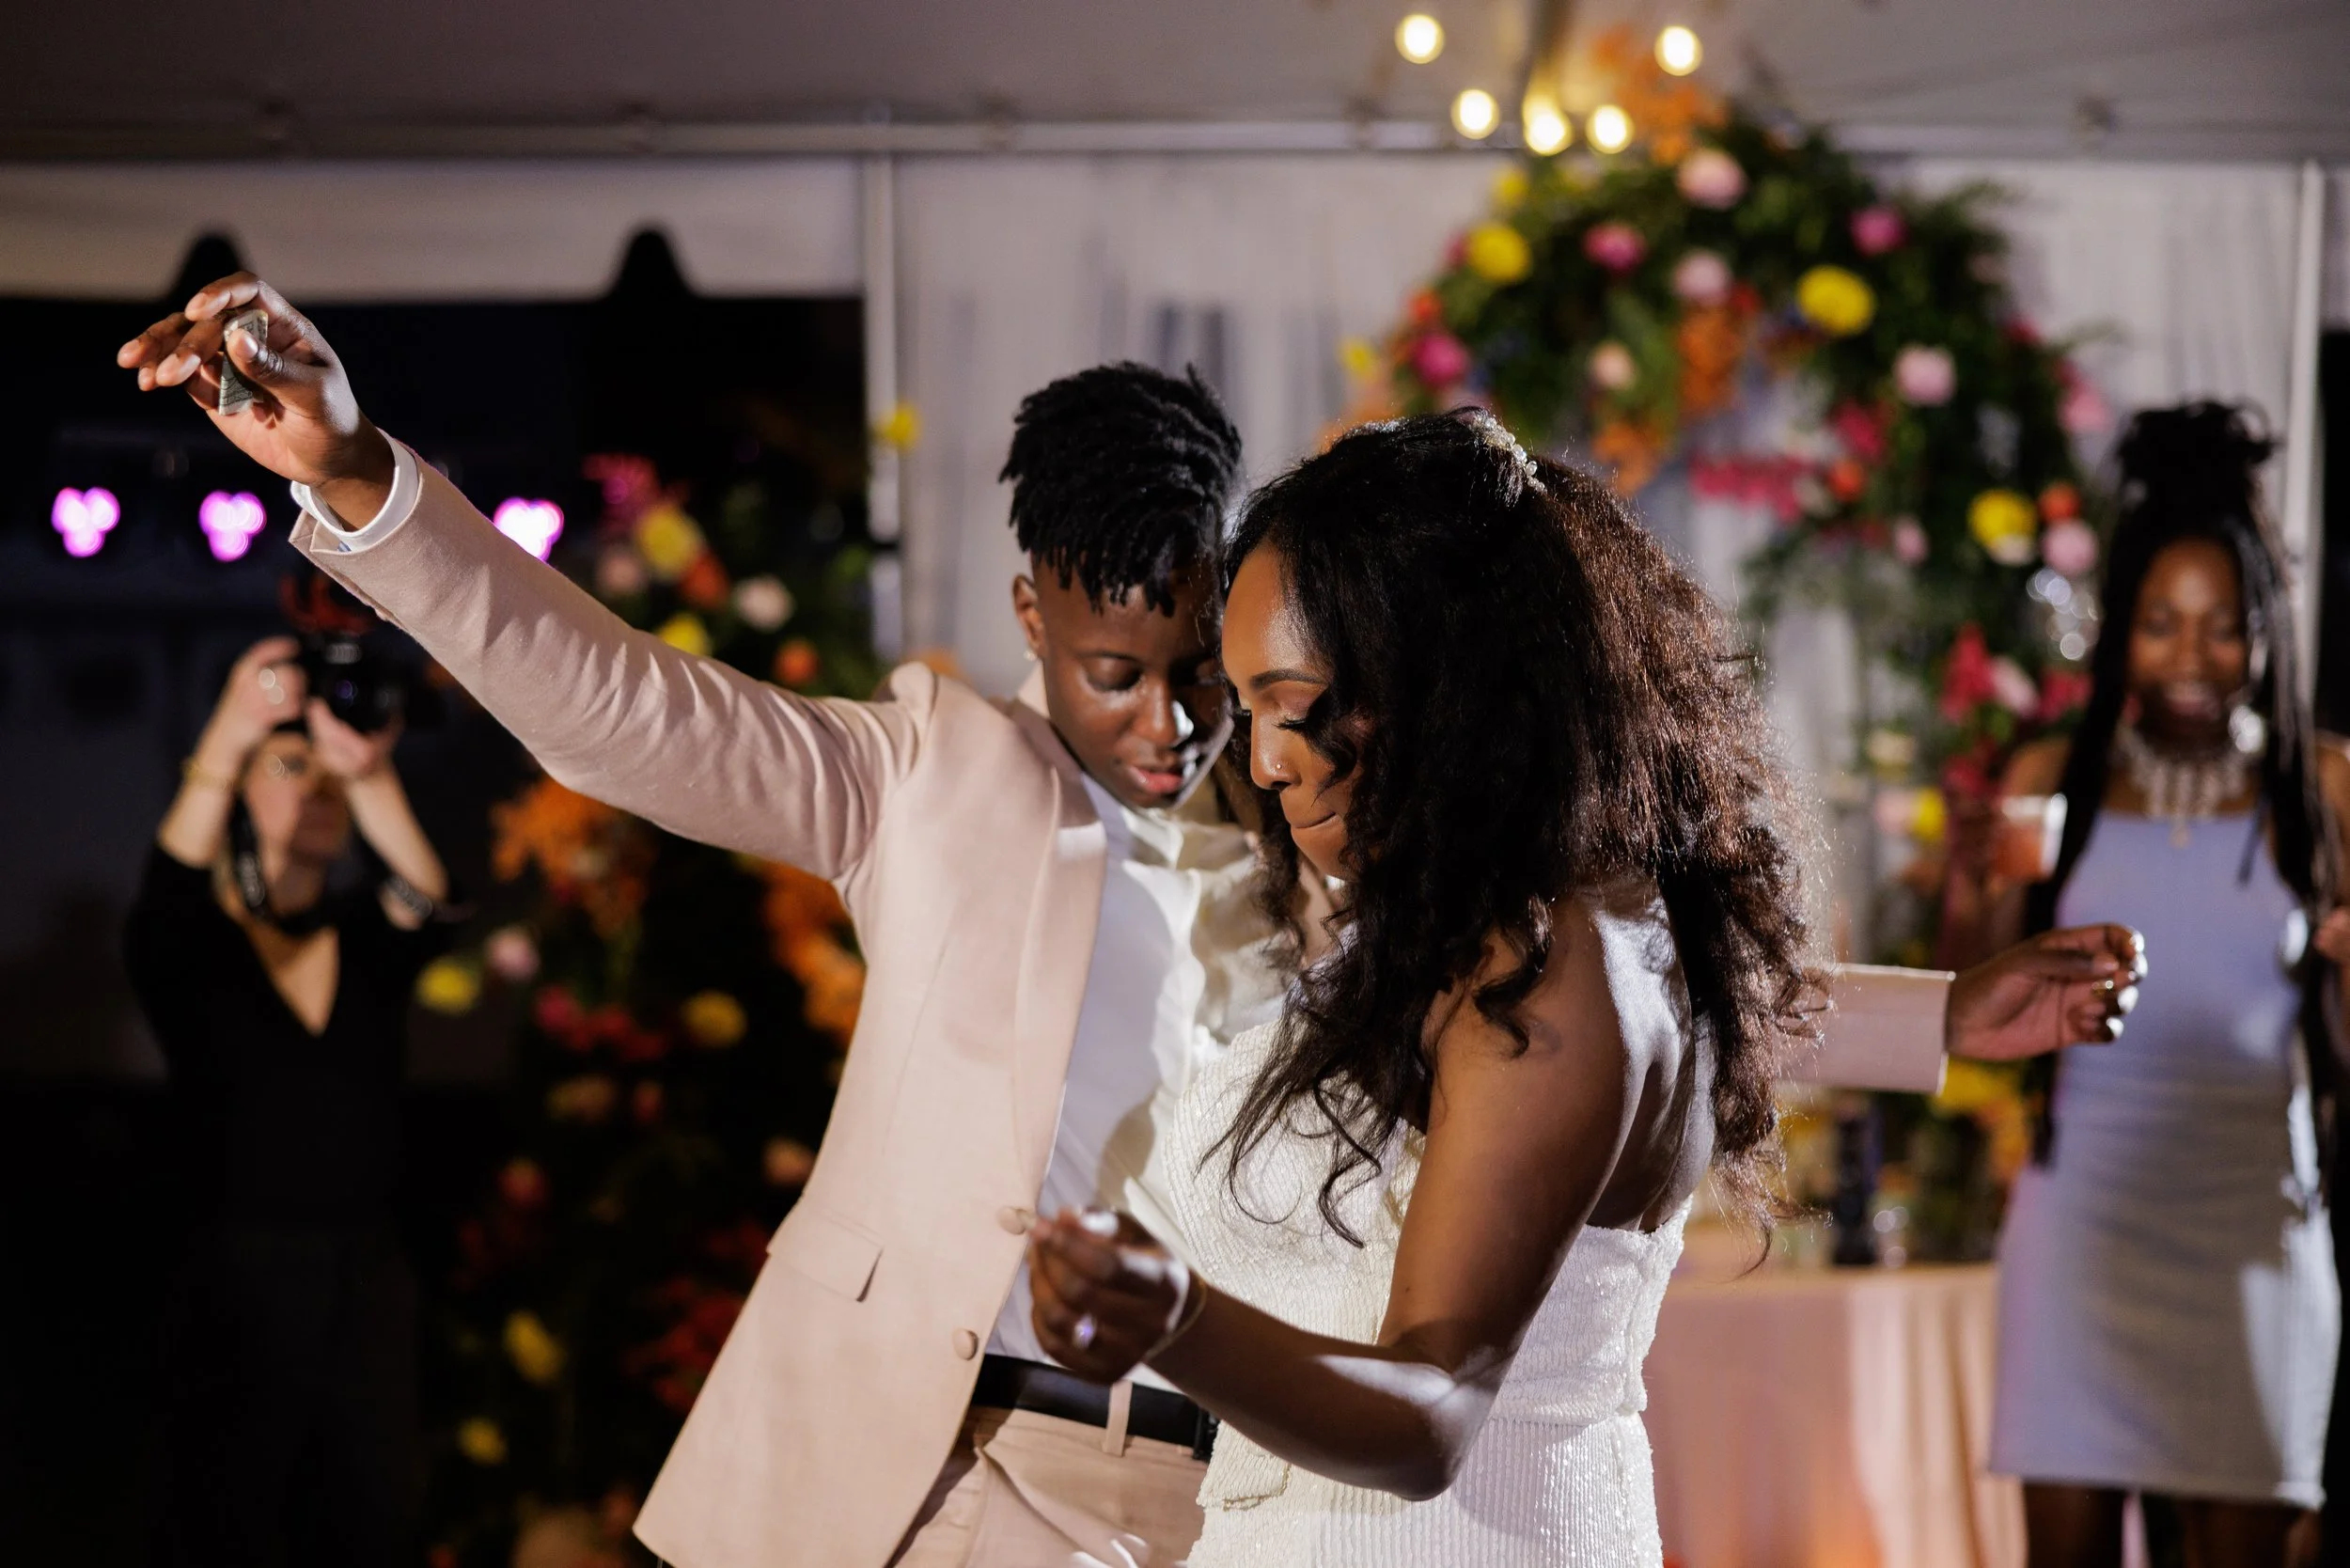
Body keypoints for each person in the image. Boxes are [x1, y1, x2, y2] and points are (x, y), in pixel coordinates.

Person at [121, 275, 2138, 1568]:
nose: (1183, 735)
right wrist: (366, 479)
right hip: (943, 1465)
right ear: (1029, 628)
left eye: (1218, 678)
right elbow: (631, 712)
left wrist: (1940, 1018)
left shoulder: (1344, 805)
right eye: (1118, 678)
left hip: (1233, 1490)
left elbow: (1579, 1013)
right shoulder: (929, 775)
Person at [1019, 410, 2146, 1565]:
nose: (1258, 760)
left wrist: (1178, 1323)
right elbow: (1716, 1003)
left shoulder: (1546, 970)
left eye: (1286, 698)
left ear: (1433, 675)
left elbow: (1430, 1412)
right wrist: (1942, 1015)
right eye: (1246, 707)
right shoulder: (1541, 915)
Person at [1944, 403, 2343, 1568]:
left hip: (2256, 1226)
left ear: (2266, 631)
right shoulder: (2043, 783)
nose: (2189, 656)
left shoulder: (2324, 791)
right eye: (2161, 624)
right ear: (2120, 632)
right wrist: (1969, 890)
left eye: (2223, 628)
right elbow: (1976, 1011)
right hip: (2084, 1227)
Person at [123, 624, 453, 1567]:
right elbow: (164, 900)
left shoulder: (363, 936)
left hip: (368, 1273)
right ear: (242, 793)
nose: (309, 787)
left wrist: (371, 771)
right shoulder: (196, 947)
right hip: (235, 1277)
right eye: (288, 767)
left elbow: (431, 902)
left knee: (375, 1521)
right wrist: (230, 734)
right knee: (225, 1518)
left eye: (323, 777)